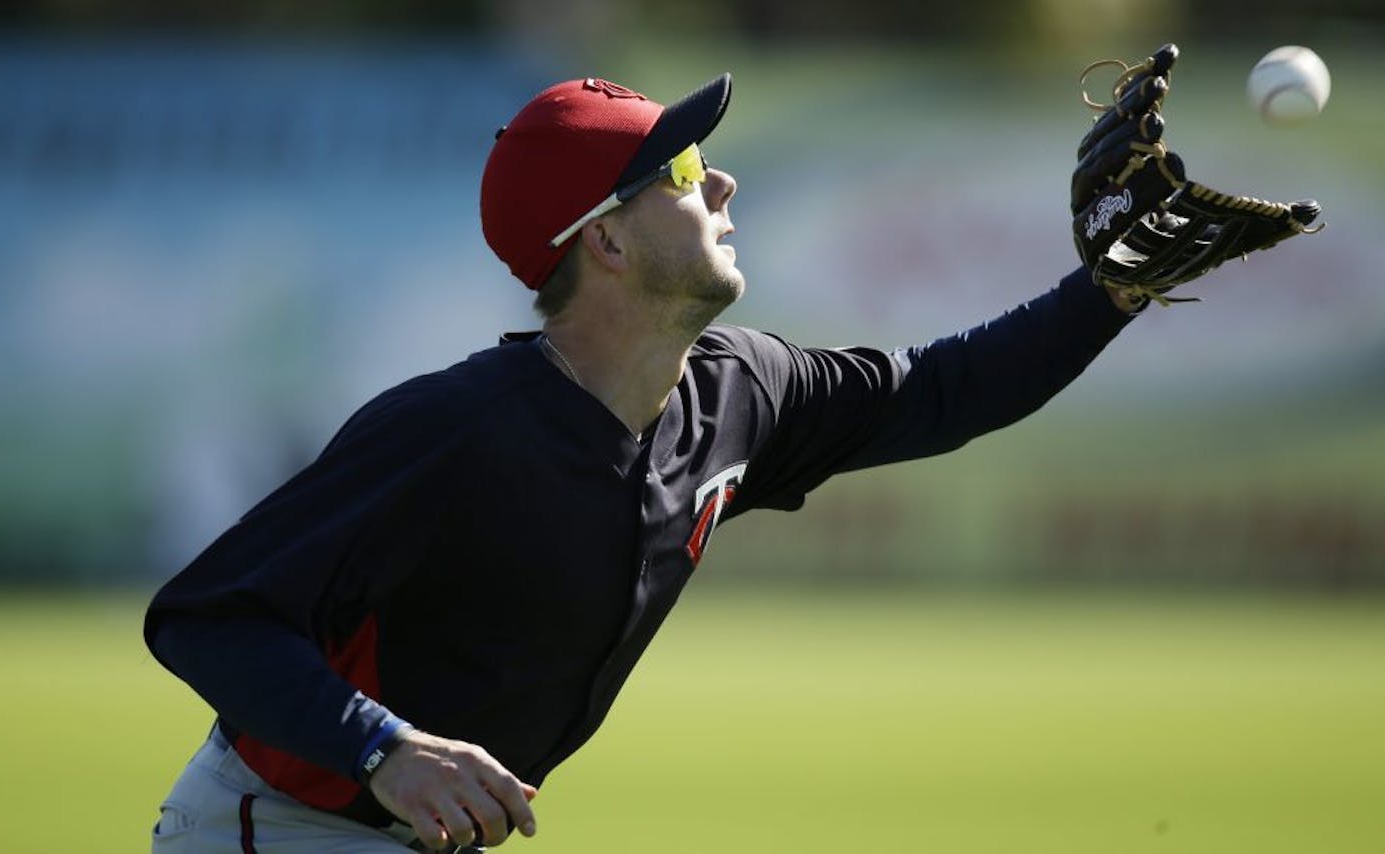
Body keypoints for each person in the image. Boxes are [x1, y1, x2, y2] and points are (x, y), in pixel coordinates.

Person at [144, 70, 1176, 853]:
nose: (719, 178)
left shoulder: (735, 391)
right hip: (280, 822)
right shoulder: (455, 431)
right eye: (681, 169)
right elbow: (208, 613)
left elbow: (941, 390)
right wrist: (384, 745)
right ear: (603, 242)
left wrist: (1116, 280)